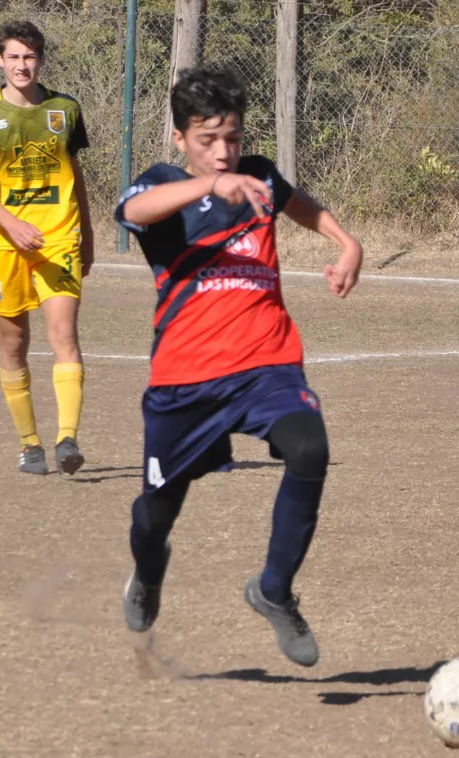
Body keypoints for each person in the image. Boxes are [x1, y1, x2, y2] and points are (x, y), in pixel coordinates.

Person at [116, 65, 362, 667]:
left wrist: (345, 242)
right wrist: (205, 188)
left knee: (310, 450)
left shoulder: (257, 176)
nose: (224, 153)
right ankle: (149, 573)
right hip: (185, 379)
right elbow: (135, 210)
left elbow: (298, 203)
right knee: (155, 514)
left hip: (266, 364)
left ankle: (274, 591)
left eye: (232, 138)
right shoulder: (162, 184)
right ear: (180, 139)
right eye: (207, 141)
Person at [0, 20, 93, 476]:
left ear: (41, 60)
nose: (22, 65)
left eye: (29, 56)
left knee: (65, 336)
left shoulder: (65, 109)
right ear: (0, 60)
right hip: (3, 243)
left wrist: (88, 237)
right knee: (14, 342)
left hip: (58, 238)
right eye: (14, 57)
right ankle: (30, 443)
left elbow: (77, 180)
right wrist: (12, 224)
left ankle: (67, 439)